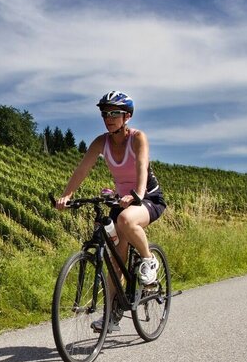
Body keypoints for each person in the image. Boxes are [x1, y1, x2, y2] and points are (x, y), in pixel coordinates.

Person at [54, 91, 167, 332]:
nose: (108, 117)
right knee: (114, 258)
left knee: (126, 220)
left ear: (127, 116)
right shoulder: (100, 142)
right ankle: (112, 314)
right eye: (105, 113)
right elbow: (82, 170)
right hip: (121, 200)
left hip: (147, 197)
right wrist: (67, 195)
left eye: (114, 113)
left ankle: (149, 261)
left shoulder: (137, 138)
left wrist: (136, 194)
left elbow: (141, 168)